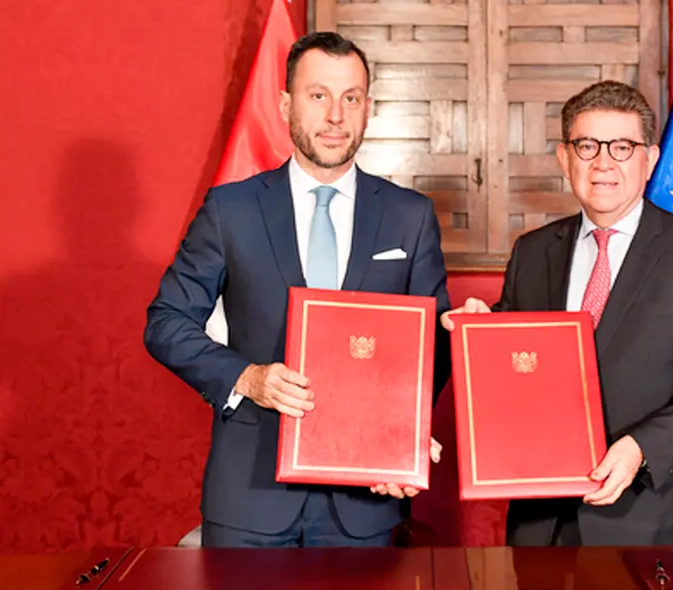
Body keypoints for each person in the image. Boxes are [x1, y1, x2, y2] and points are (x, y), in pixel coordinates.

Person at [144, 32, 451, 548]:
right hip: (248, 497)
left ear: (368, 109)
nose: (335, 115)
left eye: (350, 98)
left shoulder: (410, 216)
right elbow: (166, 322)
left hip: (366, 500)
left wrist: (399, 439)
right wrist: (246, 377)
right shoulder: (231, 210)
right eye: (318, 96)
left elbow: (431, 348)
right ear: (286, 104)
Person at [442, 81, 673, 546]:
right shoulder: (533, 252)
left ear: (649, 160)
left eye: (622, 147)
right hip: (540, 521)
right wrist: (479, 330)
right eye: (587, 146)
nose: (603, 162)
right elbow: (516, 359)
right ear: (564, 159)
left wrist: (639, 449)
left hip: (649, 516)